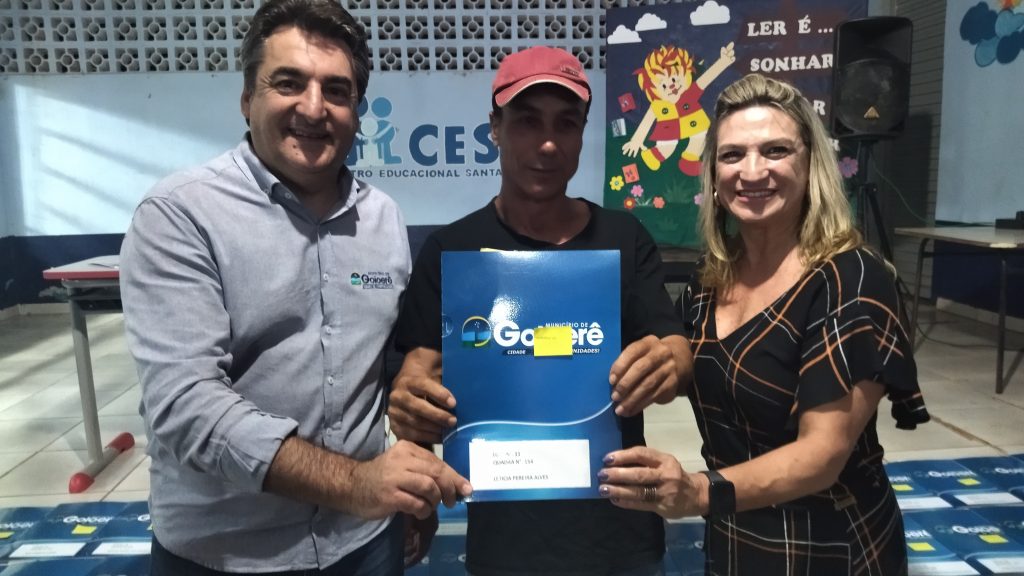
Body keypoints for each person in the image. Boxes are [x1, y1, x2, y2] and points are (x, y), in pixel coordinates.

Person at [119, 0, 470, 573]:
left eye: (336, 90)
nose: (313, 107)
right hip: (229, 554)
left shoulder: (382, 218)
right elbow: (186, 406)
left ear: (357, 109)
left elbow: (388, 371)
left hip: (364, 542)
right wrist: (359, 484)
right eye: (288, 83)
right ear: (246, 98)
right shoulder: (180, 214)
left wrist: (413, 458)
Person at [598, 73, 930, 575]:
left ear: (811, 164)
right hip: (735, 536)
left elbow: (822, 454)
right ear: (713, 175)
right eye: (732, 155)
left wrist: (697, 491)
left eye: (775, 150)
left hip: (830, 545)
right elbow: (698, 368)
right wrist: (655, 367)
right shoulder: (710, 277)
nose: (752, 172)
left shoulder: (850, 278)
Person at [387, 45, 694, 576]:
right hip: (504, 544)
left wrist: (669, 364)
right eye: (528, 122)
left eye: (565, 124)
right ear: (495, 128)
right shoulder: (451, 251)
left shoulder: (624, 238)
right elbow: (417, 378)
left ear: (581, 135)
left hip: (620, 537)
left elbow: (675, 350)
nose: (548, 144)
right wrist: (411, 407)